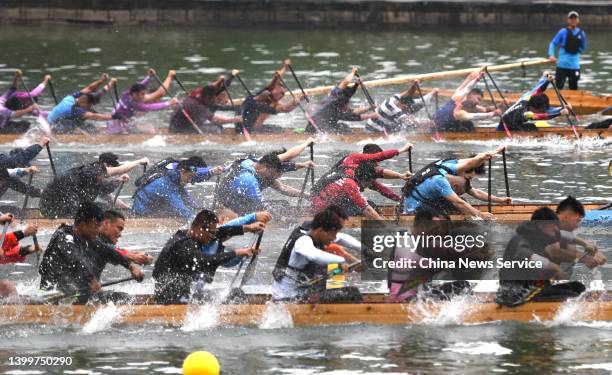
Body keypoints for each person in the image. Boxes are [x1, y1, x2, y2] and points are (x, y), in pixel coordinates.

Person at [38, 202, 144, 303]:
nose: (98, 230)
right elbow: (75, 259)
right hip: (51, 295)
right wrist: (91, 279)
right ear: (83, 224)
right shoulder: (64, 237)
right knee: (120, 299)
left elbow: (107, 251)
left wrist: (131, 267)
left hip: (75, 292)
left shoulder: (86, 237)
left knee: (124, 298)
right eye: (96, 226)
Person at [152, 209, 261, 304]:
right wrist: (237, 252)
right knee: (236, 296)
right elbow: (206, 261)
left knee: (235, 293)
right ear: (199, 228)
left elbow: (221, 232)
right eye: (211, 233)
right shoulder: (184, 244)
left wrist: (249, 228)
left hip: (182, 292)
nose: (213, 237)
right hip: (170, 297)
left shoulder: (191, 234)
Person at [496, 207, 590, 307]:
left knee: (577, 287)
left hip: (534, 285)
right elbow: (525, 256)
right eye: (553, 225)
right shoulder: (520, 240)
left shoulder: (542, 232)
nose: (556, 229)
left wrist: (585, 243)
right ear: (541, 225)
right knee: (572, 293)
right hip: (515, 289)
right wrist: (555, 268)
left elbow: (561, 235)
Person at [389, 208, 487, 302]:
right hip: (404, 298)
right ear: (422, 227)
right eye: (435, 229)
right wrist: (439, 264)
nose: (438, 233)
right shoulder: (403, 238)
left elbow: (446, 249)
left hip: (418, 293)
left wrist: (471, 251)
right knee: (459, 289)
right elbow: (407, 258)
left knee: (462, 285)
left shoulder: (422, 241)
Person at [272, 208, 363, 302]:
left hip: (303, 291)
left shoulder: (315, 233)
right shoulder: (302, 240)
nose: (334, 238)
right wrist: (341, 261)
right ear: (320, 230)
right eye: (333, 234)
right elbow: (313, 256)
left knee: (335, 273)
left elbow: (341, 238)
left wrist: (364, 250)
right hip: (287, 299)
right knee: (353, 294)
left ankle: (334, 293)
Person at [402, 146, 509, 220]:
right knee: (461, 204)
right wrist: (481, 215)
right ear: (455, 186)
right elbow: (459, 203)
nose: (469, 181)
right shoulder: (440, 181)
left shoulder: (449, 164)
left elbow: (476, 192)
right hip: (414, 208)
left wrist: (500, 200)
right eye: (469, 178)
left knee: (463, 204)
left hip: (422, 199)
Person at [39, 153, 148, 218]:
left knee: (106, 208)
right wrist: (140, 161)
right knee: (100, 210)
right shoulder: (93, 170)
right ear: (106, 165)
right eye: (110, 169)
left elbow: (108, 194)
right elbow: (121, 170)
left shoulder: (94, 178)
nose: (107, 175)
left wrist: (129, 210)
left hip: (61, 205)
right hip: (52, 207)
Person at [217, 144, 314, 216]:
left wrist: (307, 196)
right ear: (265, 167)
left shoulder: (258, 163)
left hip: (243, 200)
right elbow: (263, 207)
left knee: (283, 205)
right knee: (281, 210)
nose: (277, 177)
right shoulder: (249, 179)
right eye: (273, 174)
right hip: (230, 209)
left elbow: (282, 187)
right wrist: (284, 219)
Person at [313, 142, 413, 207]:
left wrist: (400, 177)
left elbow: (379, 185)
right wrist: (401, 150)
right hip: (327, 196)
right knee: (370, 207)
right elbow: (380, 157)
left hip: (333, 197)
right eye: (375, 161)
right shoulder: (352, 159)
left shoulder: (360, 168)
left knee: (370, 205)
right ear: (368, 157)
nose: (376, 164)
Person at [132, 157, 223, 220]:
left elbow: (198, 174)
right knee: (182, 211)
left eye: (192, 177)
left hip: (155, 204)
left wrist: (212, 171)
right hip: (142, 210)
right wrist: (197, 221)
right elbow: (180, 208)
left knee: (191, 205)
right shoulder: (165, 185)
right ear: (182, 171)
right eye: (189, 177)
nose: (190, 181)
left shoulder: (176, 175)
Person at [168, 70, 243, 134]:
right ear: (208, 97)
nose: (214, 99)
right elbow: (215, 120)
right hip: (179, 129)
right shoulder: (196, 105)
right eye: (213, 98)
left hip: (190, 123)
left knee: (217, 126)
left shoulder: (203, 92)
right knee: (217, 129)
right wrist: (234, 120)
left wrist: (231, 76)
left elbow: (221, 87)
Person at [108, 69, 179, 134]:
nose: (144, 96)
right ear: (134, 94)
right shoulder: (135, 104)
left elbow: (141, 85)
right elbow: (151, 107)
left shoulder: (127, 93)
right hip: (118, 127)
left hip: (113, 122)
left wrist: (149, 77)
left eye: (144, 93)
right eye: (142, 94)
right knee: (150, 129)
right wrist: (169, 103)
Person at [309, 67, 377, 133]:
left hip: (324, 124)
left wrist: (369, 108)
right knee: (343, 128)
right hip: (316, 128)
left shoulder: (336, 97)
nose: (348, 106)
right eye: (347, 104)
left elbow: (352, 111)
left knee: (343, 127)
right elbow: (355, 117)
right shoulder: (335, 109)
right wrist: (371, 115)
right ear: (342, 105)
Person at [433, 69, 501, 132]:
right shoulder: (458, 98)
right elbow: (467, 88)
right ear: (470, 94)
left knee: (468, 124)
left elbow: (485, 110)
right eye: (478, 99)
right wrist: (476, 78)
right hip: (437, 124)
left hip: (446, 125)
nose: (478, 102)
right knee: (469, 124)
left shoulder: (472, 106)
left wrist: (500, 105)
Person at [47, 74, 117, 134]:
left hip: (55, 119)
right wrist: (116, 116)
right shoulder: (77, 110)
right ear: (85, 104)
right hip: (54, 126)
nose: (90, 107)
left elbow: (90, 88)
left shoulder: (72, 97)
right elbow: (96, 116)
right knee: (88, 129)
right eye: (90, 105)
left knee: (90, 126)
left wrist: (104, 81)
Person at [311, 161, 383, 220]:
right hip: (322, 211)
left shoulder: (347, 173)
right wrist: (386, 226)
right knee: (367, 208)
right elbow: (367, 209)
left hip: (318, 203)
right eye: (370, 182)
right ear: (364, 179)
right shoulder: (350, 184)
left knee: (366, 204)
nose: (370, 185)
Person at [500, 72, 568, 131]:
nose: (542, 112)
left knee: (532, 126)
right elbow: (543, 116)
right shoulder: (526, 113)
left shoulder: (527, 99)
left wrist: (547, 81)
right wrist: (559, 113)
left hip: (513, 121)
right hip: (505, 126)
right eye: (541, 110)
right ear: (533, 108)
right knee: (532, 128)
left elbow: (538, 91)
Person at [367, 81, 438, 134]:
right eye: (405, 107)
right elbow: (414, 123)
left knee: (405, 123)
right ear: (404, 105)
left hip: (382, 124)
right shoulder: (394, 110)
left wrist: (432, 93)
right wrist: (430, 123)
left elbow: (409, 92)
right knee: (409, 126)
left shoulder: (394, 98)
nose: (405, 109)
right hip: (374, 130)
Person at [555, 196, 606, 267]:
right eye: (577, 221)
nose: (577, 226)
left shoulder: (566, 228)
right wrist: (585, 258)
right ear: (566, 217)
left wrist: (593, 251)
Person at [548, 11, 587, 90]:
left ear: (578, 20)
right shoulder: (562, 32)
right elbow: (553, 43)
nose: (573, 20)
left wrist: (575, 51)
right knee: (558, 87)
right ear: (568, 20)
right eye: (571, 18)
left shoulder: (582, 33)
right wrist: (551, 55)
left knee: (573, 87)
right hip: (562, 65)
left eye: (575, 18)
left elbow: (583, 48)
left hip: (574, 66)